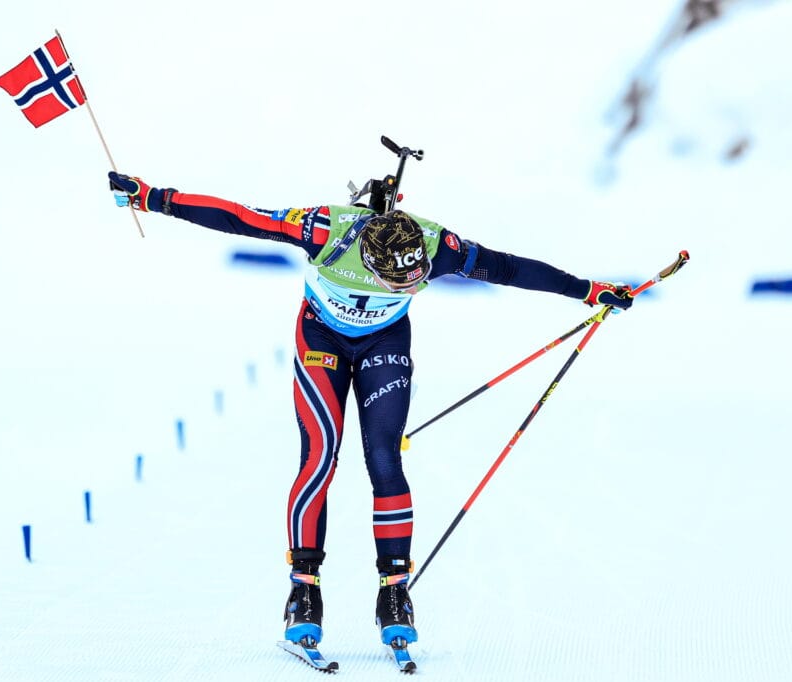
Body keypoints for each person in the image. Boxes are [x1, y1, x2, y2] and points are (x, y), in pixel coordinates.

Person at [106, 170, 633, 652]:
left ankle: (394, 592)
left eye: (416, 280)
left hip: (384, 343)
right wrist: (154, 198)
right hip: (321, 341)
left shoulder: (437, 245)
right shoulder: (325, 231)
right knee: (320, 459)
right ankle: (304, 592)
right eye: (395, 282)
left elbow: (509, 268)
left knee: (384, 460)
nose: (409, 287)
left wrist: (589, 291)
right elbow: (239, 217)